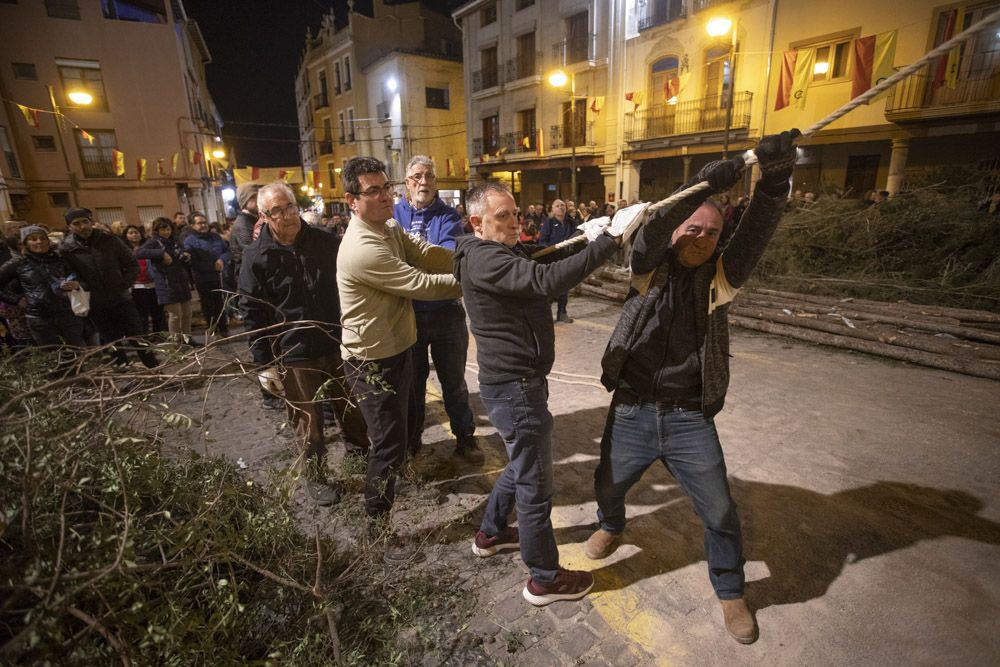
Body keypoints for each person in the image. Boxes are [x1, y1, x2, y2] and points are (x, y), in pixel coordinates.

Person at [585, 129, 801, 645]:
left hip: (688, 419)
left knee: (721, 510)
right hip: (632, 409)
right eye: (692, 228)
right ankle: (610, 523)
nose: (699, 237)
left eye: (710, 233)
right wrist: (703, 187)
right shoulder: (647, 268)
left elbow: (759, 229)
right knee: (608, 483)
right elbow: (655, 229)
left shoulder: (722, 278)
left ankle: (731, 593)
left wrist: (775, 179)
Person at [453, 181, 627, 606]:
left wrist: (586, 235)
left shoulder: (499, 250)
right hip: (515, 389)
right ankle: (544, 579)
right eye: (503, 217)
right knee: (535, 485)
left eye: (515, 214)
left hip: (516, 383)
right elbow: (544, 280)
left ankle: (491, 533)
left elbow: (542, 257)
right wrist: (608, 242)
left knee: (521, 463)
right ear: (477, 223)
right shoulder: (484, 259)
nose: (515, 223)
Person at [337, 156, 461, 558]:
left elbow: (425, 253)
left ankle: (397, 477)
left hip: (401, 346)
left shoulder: (388, 225)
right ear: (351, 201)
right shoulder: (362, 247)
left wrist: (471, 255)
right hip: (371, 360)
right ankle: (377, 530)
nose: (385, 196)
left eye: (385, 186)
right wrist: (478, 278)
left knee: (407, 424)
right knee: (387, 443)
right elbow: (419, 283)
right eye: (372, 191)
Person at [239, 181, 369, 506]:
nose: (288, 215)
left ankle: (361, 456)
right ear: (264, 216)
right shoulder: (257, 258)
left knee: (352, 409)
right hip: (294, 352)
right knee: (307, 423)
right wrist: (264, 364)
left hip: (336, 342)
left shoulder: (324, 242)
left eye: (291, 206)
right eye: (279, 211)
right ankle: (316, 475)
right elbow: (251, 312)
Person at [393, 155, 478, 457]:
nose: (424, 182)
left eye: (429, 176)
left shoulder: (449, 216)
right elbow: (389, 258)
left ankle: (465, 438)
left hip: (446, 313)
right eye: (417, 176)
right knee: (412, 386)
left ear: (436, 182)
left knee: (453, 382)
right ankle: (413, 440)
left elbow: (446, 257)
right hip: (408, 315)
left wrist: (407, 258)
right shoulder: (393, 215)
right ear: (407, 182)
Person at [59, 207, 158, 368]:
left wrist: (123, 284)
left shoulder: (109, 240)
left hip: (122, 299)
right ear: (69, 226)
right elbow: (71, 276)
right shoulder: (66, 250)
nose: (83, 226)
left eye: (85, 221)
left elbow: (132, 264)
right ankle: (123, 373)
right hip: (97, 303)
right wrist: (79, 286)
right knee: (111, 342)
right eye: (77, 223)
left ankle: (154, 369)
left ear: (91, 222)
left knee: (138, 337)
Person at [0, 225, 86, 350]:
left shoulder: (61, 259)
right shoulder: (18, 263)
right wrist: (16, 300)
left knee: (75, 353)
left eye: (42, 238)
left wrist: (77, 285)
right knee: (53, 357)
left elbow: (83, 279)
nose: (39, 242)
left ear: (48, 240)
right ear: (25, 243)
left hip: (68, 314)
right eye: (33, 239)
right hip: (40, 318)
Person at [136, 218, 194, 342]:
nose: (166, 232)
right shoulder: (154, 242)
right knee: (175, 315)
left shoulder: (174, 241)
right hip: (167, 284)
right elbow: (139, 252)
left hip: (181, 281)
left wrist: (185, 255)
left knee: (187, 313)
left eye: (168, 229)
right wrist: (161, 254)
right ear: (157, 230)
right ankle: (176, 342)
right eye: (163, 229)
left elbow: (182, 252)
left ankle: (187, 339)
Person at [183, 211, 231, 338]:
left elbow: (227, 250)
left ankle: (224, 328)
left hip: (219, 275)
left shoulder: (215, 237)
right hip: (202, 277)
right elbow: (192, 261)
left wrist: (222, 260)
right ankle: (213, 328)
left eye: (205, 222)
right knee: (208, 305)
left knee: (220, 303)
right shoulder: (189, 241)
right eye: (200, 223)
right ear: (193, 225)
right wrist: (210, 267)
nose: (203, 225)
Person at [538, 199, 579, 323]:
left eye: (562, 205)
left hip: (566, 259)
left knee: (564, 286)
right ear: (552, 209)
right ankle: (546, 314)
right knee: (550, 287)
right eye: (557, 206)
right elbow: (542, 241)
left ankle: (562, 312)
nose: (560, 208)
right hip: (552, 260)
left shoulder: (571, 223)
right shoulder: (549, 223)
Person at [123, 224, 166, 335]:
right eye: (131, 233)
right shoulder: (124, 250)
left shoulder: (148, 247)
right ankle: (145, 338)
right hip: (137, 287)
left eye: (136, 232)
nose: (134, 235)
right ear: (126, 236)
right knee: (142, 315)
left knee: (158, 314)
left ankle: (159, 336)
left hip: (153, 285)